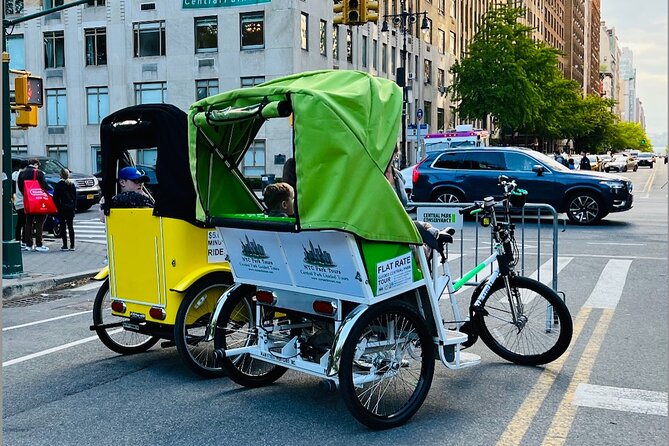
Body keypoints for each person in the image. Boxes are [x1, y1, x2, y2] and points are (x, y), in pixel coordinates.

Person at [17, 159, 50, 252]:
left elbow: (20, 187)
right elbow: (44, 186)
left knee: (28, 222)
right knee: (40, 222)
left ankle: (28, 244)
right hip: (38, 200)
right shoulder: (39, 173)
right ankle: (39, 244)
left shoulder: (21, 173)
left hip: (27, 200)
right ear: (35, 164)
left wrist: (26, 195)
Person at [53, 168, 77, 251]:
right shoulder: (72, 184)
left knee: (63, 227)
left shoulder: (59, 185)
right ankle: (72, 245)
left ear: (60, 175)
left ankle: (65, 245)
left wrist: (58, 206)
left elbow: (55, 198)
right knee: (71, 226)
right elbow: (75, 197)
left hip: (62, 208)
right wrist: (73, 206)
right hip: (70, 208)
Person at [12, 160, 29, 248]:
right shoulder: (22, 176)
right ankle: (23, 240)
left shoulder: (14, 175)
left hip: (17, 201)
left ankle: (18, 238)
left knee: (20, 221)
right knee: (25, 222)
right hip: (23, 201)